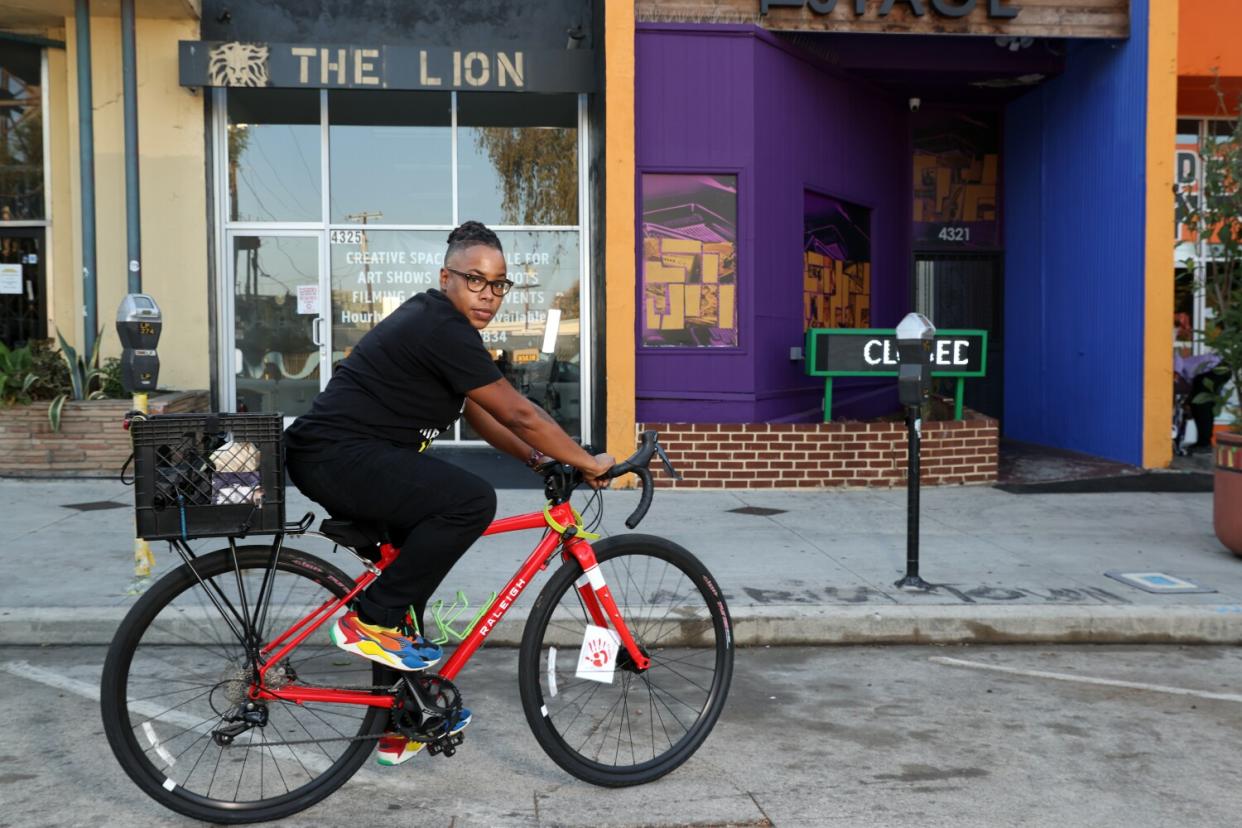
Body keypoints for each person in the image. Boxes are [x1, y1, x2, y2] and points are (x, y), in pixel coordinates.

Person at [284, 221, 614, 765]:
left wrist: (539, 460)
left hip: (341, 458)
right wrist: (585, 460)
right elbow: (519, 411)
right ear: (447, 277)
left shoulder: (444, 328)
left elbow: (482, 415)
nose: (488, 294)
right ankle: (370, 620)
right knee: (469, 501)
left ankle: (403, 716)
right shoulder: (442, 325)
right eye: (475, 280)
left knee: (411, 573)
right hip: (339, 457)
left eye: (499, 284)